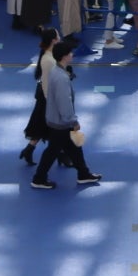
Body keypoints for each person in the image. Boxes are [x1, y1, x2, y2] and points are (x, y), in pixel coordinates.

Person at [29, 37, 102, 189]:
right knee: (52, 151)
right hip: (61, 122)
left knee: (74, 147)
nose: (72, 55)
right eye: (70, 53)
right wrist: (72, 121)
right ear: (64, 56)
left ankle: (83, 174)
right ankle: (38, 179)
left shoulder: (56, 71)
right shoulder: (61, 77)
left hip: (56, 119)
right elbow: (64, 102)